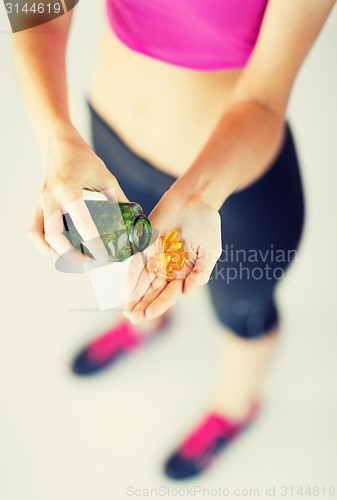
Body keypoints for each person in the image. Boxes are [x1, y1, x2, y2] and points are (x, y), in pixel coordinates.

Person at [12, 0, 336, 479]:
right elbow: (35, 9)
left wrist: (199, 194)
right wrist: (58, 140)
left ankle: (234, 407)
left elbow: (265, 99)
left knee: (243, 314)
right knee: (132, 280)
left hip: (231, 189)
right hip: (106, 154)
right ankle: (144, 324)